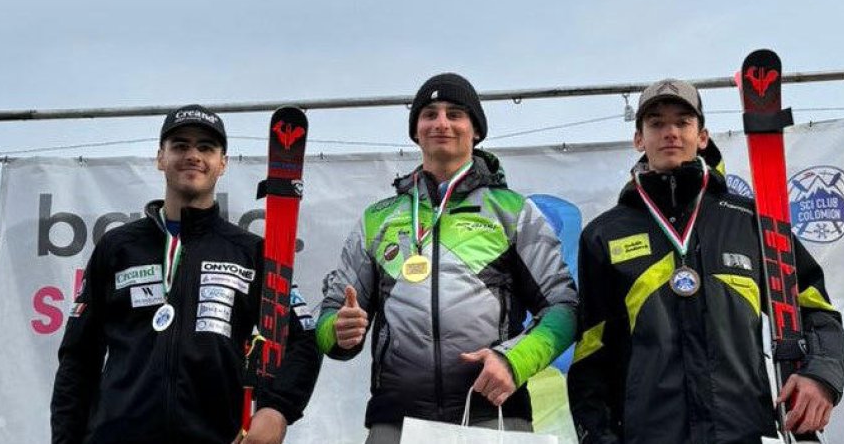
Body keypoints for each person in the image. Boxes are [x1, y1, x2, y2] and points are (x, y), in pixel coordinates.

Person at [568, 80, 844, 444]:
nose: (670, 132)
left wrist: (821, 374)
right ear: (639, 139)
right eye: (656, 123)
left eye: (683, 122)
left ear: (702, 136)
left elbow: (815, 309)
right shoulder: (604, 234)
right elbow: (591, 356)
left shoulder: (749, 220)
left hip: (746, 432)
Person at [316, 73, 578, 443]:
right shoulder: (378, 218)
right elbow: (328, 315)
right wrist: (338, 331)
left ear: (476, 130)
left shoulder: (512, 211)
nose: (441, 123)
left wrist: (513, 361)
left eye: (455, 114)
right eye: (430, 114)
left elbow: (564, 309)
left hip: (494, 412)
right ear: (416, 131)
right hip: (396, 421)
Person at [52, 104, 322, 444]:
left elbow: (304, 339)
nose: (193, 155)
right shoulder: (118, 246)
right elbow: (79, 358)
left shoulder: (249, 252)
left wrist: (276, 410)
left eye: (206, 147)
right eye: (180, 145)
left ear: (222, 163)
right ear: (160, 157)